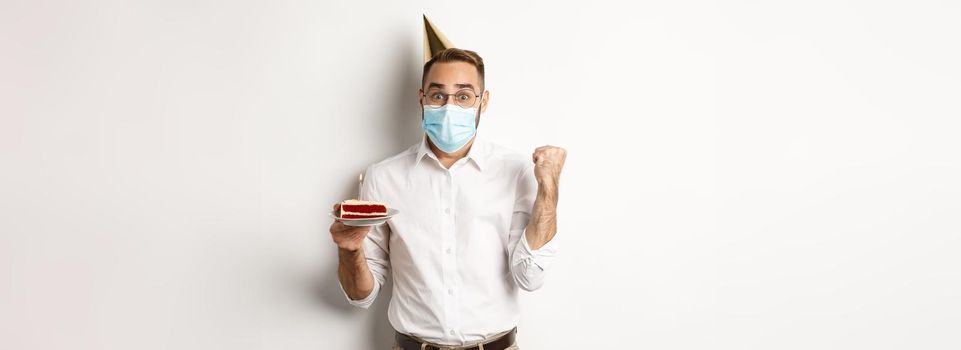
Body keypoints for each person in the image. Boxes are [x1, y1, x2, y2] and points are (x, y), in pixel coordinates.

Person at [329, 48, 566, 350]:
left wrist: (549, 189)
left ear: (484, 101)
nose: (450, 106)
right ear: (422, 99)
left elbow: (529, 277)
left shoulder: (517, 170)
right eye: (438, 96)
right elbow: (362, 296)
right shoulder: (383, 176)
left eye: (464, 96)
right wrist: (349, 251)